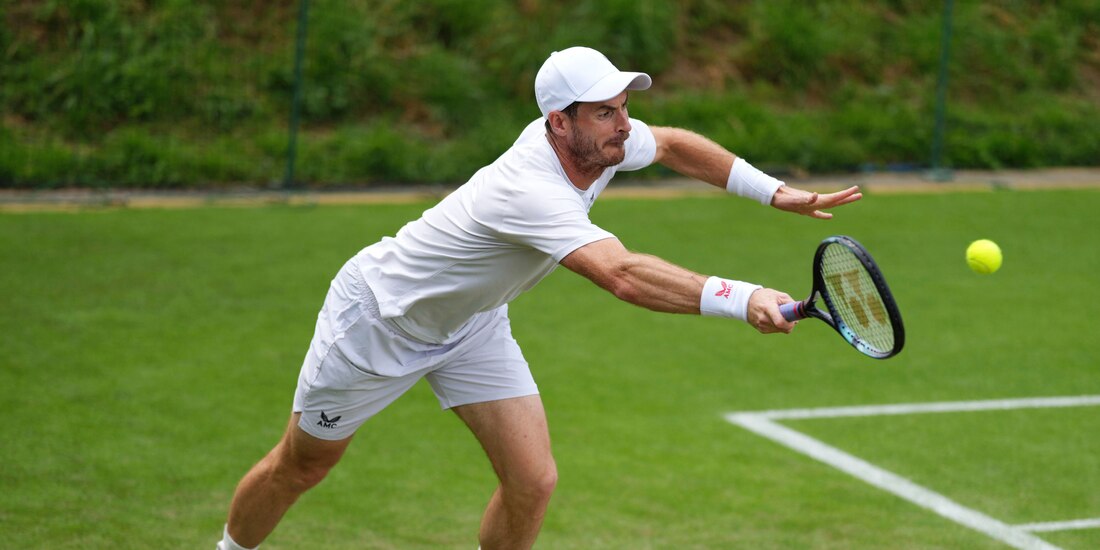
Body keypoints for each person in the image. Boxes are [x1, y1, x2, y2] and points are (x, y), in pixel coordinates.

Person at [216, 46, 861, 550]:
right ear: (559, 121)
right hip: (379, 322)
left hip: (471, 325)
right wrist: (742, 297)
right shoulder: (528, 187)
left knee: (533, 480)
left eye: (622, 107)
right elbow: (622, 274)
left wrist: (773, 191)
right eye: (605, 111)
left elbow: (669, 144)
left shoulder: (603, 141)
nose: (623, 125)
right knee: (301, 467)